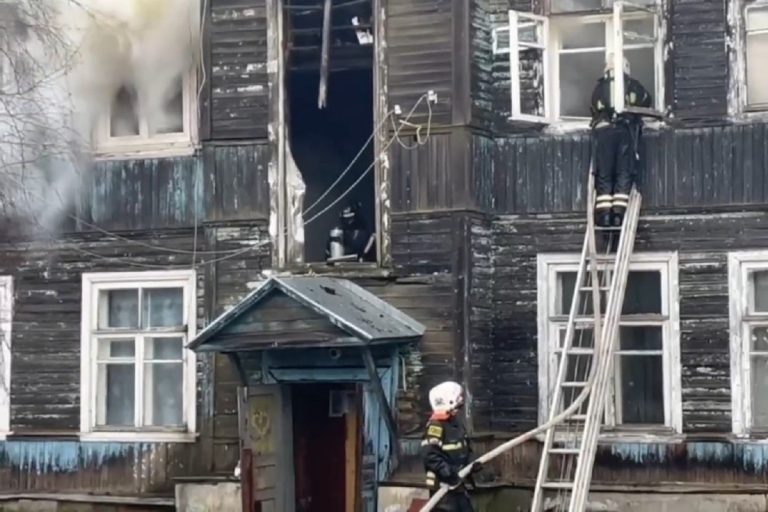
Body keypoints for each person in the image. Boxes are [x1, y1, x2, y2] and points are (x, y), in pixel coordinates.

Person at [590, 55, 652, 227]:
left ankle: (604, 216)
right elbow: (646, 100)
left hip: (602, 133)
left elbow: (594, 106)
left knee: (604, 173)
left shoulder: (599, 87)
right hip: (624, 131)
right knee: (623, 171)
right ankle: (619, 215)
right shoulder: (633, 86)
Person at [421, 381, 482, 512]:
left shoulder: (456, 424)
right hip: (443, 490)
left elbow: (464, 448)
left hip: (457, 486)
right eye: (457, 404)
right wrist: (450, 475)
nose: (459, 408)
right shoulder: (436, 426)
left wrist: (472, 464)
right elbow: (430, 457)